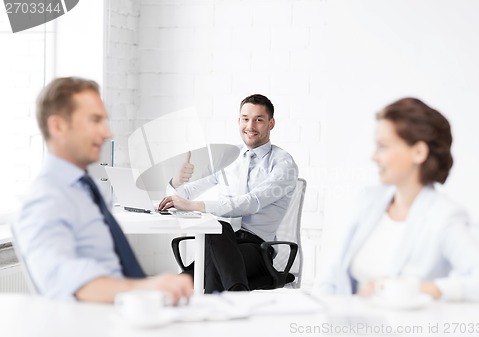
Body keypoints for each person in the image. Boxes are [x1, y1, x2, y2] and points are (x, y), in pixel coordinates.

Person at [14, 77, 193, 303]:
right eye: (95, 120)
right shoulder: (45, 199)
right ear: (57, 126)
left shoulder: (83, 189)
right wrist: (148, 288)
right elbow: (68, 278)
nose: (108, 133)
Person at [314, 97, 479, 301]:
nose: (374, 157)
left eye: (383, 146)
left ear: (419, 152)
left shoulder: (443, 216)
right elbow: (332, 275)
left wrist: (419, 289)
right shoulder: (369, 201)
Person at [159, 94, 298, 293]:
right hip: (219, 243)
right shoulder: (228, 156)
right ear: (238, 121)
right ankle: (236, 297)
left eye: (259, 119)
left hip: (257, 248)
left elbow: (251, 202)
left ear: (271, 123)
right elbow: (187, 192)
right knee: (177, 285)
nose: (250, 125)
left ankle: (231, 299)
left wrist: (193, 206)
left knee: (215, 234)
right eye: (245, 118)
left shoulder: (283, 163)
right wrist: (177, 181)